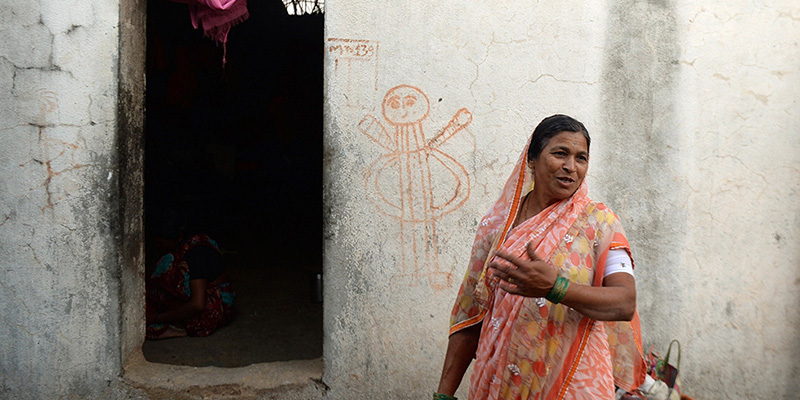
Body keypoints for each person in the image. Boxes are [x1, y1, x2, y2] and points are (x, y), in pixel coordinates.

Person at [435, 115, 646, 399]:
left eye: (581, 158)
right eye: (560, 153)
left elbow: (624, 303)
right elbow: (471, 315)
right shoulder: (497, 226)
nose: (571, 167)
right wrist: (444, 394)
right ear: (532, 159)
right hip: (499, 383)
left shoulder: (599, 222)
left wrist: (555, 288)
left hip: (572, 382)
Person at [146, 232, 235, 339]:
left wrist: (159, 318)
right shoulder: (190, 244)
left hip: (217, 304)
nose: (158, 246)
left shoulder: (196, 254)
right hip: (207, 295)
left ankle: (174, 326)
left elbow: (198, 304)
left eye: (161, 242)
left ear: (178, 237)